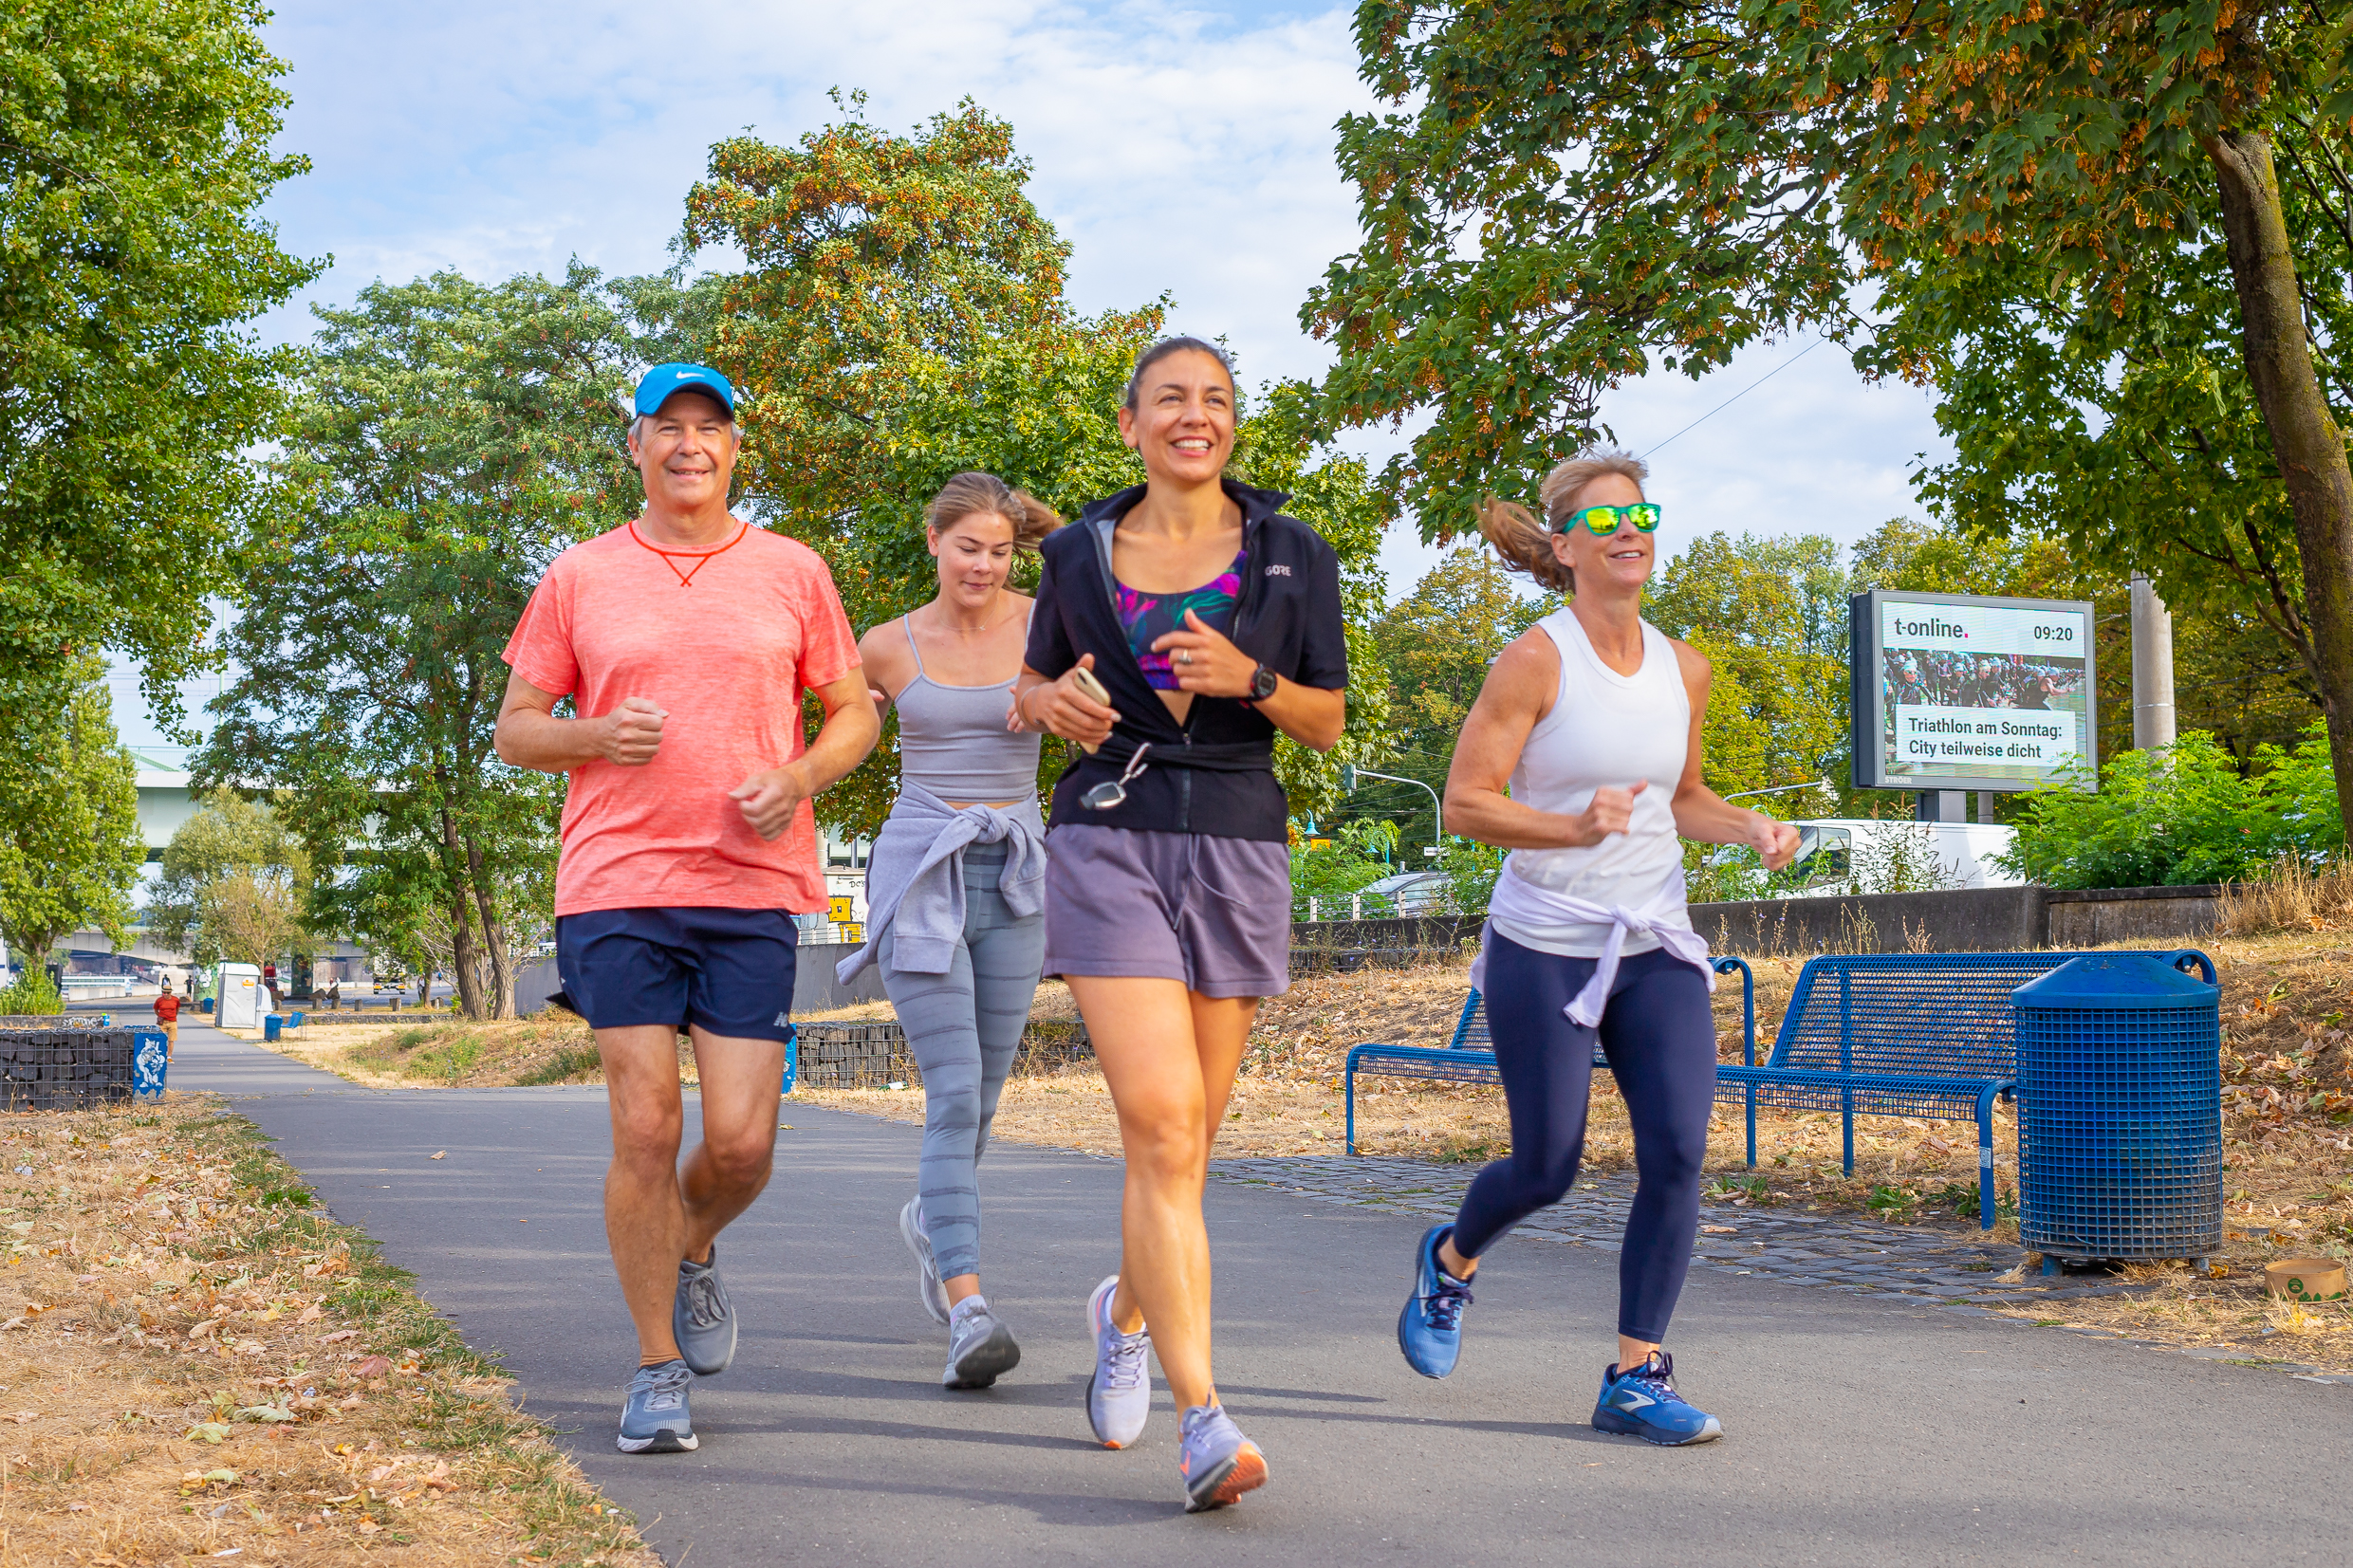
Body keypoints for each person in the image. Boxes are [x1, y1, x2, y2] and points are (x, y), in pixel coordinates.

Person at [493, 362, 880, 1455]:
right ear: (636, 447)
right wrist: (589, 735)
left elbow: (852, 712)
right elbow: (516, 729)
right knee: (647, 1123)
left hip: (749, 884)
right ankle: (656, 1365)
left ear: (734, 451)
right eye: (668, 427)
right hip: (615, 881)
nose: (689, 444)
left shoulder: (792, 571)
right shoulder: (578, 576)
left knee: (744, 1144)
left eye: (709, 428)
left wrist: (798, 780)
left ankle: (692, 1248)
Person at [1393, 449, 1799, 1447]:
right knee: (1548, 1165)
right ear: (1564, 546)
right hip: (1545, 942)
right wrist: (1573, 828)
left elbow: (1683, 797)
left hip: (1653, 938)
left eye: (1643, 514)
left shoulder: (1683, 667)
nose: (1630, 530)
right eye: (1607, 520)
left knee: (1676, 1150)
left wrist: (1749, 827)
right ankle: (1449, 1260)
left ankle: (1635, 1374)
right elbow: (1465, 805)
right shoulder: (1535, 659)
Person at [1015, 337, 1348, 1512]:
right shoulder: (1073, 554)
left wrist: (1243, 677)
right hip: (1107, 832)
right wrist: (1043, 700)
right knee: (1158, 1126)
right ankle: (1203, 1419)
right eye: (1168, 399)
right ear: (1129, 424)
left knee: (1192, 1142)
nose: (1190, 417)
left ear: (1230, 426)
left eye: (1212, 400)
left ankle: (1121, 1314)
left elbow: (1323, 721)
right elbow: (1032, 683)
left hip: (1241, 840)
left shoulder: (1293, 555)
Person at [836, 472, 1060, 1391]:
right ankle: (967, 1305)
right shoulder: (886, 646)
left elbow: (1103, 710)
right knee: (954, 1089)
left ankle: (932, 1219)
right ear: (932, 543)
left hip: (1014, 876)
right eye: (967, 546)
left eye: (1000, 550)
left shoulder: (1049, 627)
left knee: (989, 1092)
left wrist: (1060, 702)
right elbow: (843, 734)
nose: (983, 564)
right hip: (921, 874)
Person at [153, 981, 180, 1064]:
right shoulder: (159, 1000)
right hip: (162, 1022)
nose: (165, 994)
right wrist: (160, 1016)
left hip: (172, 1021)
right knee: (161, 1039)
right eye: (164, 992)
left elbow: (177, 1009)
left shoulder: (175, 1000)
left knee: (171, 1040)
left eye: (167, 993)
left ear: (170, 993)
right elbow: (155, 1009)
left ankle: (169, 1056)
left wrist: (174, 1015)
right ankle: (161, 1055)